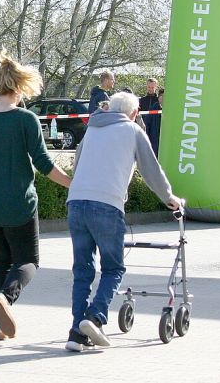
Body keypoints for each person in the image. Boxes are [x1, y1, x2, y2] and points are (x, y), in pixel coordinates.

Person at [0, 49, 73, 341]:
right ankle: (5, 299)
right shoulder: (26, 119)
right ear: (19, 88)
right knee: (28, 261)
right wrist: (74, 184)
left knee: (0, 261)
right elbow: (45, 165)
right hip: (17, 206)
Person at [64, 92, 183, 350]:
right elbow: (152, 171)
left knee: (82, 269)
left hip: (75, 203)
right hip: (106, 205)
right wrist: (170, 198)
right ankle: (95, 316)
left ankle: (76, 333)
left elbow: (77, 165)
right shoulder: (132, 131)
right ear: (134, 113)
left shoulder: (92, 129)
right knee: (114, 268)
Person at [139, 78, 162, 156]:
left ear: (156, 87)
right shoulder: (142, 100)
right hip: (144, 127)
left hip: (155, 128)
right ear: (146, 87)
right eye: (149, 87)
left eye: (152, 87)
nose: (150, 89)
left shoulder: (158, 100)